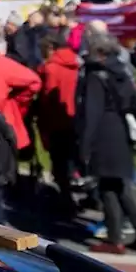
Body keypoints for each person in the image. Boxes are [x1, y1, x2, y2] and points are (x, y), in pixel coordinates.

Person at [77, 30, 136, 254]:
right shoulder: (121, 70)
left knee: (107, 188)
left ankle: (114, 239)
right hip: (120, 130)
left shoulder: (95, 74)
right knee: (120, 186)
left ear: (97, 51)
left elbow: (92, 111)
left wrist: (85, 145)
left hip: (104, 133)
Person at [37, 33, 82, 214]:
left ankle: (66, 200)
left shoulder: (51, 69)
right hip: (76, 117)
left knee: (60, 163)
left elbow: (48, 98)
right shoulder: (76, 64)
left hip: (56, 120)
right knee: (76, 158)